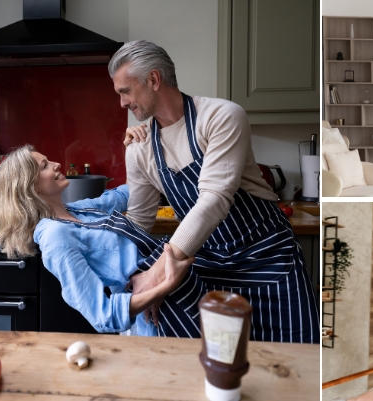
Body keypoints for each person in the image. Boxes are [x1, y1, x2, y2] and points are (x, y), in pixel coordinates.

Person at [108, 40, 318, 343]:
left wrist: (158, 272)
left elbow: (215, 198)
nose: (122, 103)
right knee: (216, 364)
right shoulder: (140, 149)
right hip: (205, 264)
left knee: (299, 362)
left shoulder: (222, 116)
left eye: (125, 91)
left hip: (267, 258)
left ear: (153, 80)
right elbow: (140, 221)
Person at [0, 145, 197, 336]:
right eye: (45, 166)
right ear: (32, 189)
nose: (56, 164)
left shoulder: (77, 210)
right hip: (161, 317)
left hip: (182, 291)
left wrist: (138, 148)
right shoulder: (55, 237)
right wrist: (166, 284)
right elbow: (103, 316)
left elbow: (126, 193)